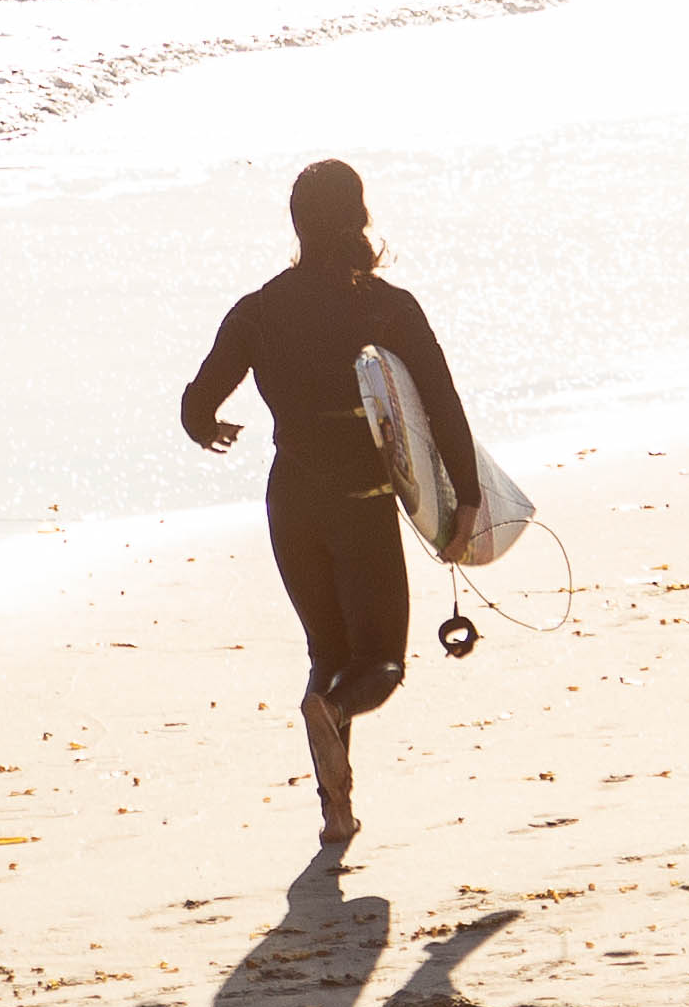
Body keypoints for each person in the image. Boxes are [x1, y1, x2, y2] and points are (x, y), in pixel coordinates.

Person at [179, 158, 475, 851]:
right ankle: (336, 711)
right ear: (359, 217)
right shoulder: (386, 305)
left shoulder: (256, 309)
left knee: (326, 651)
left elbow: (197, 403)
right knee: (379, 664)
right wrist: (462, 501)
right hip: (361, 502)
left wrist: (209, 430)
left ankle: (335, 809)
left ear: (296, 223)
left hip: (291, 499)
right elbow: (440, 404)